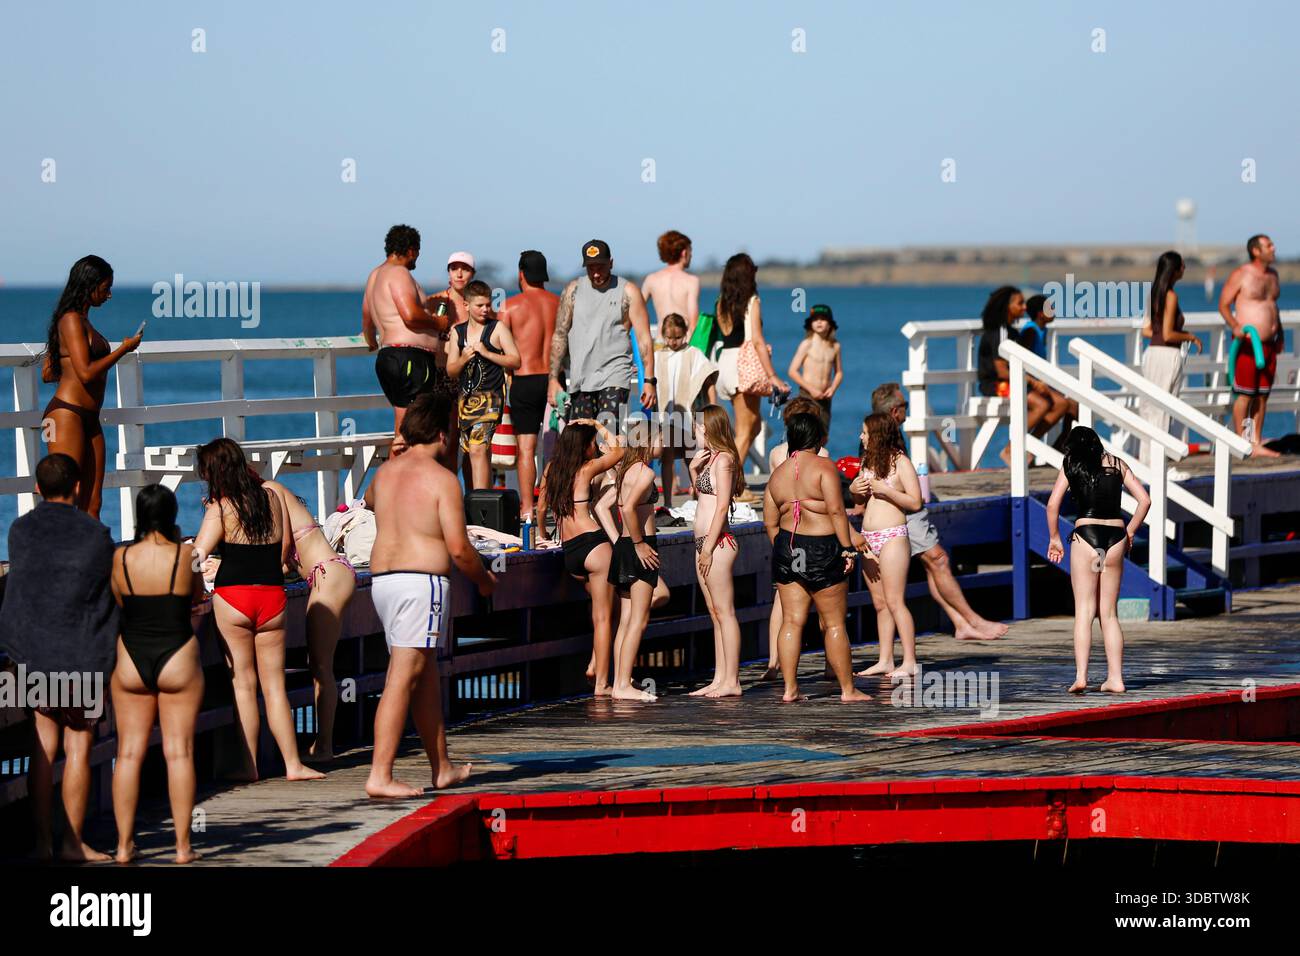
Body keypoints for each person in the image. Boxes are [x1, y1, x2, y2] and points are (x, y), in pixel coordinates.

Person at [364, 391, 495, 798]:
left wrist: (393, 455)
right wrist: (484, 580)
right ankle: (380, 775)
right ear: (442, 434)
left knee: (422, 678)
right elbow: (458, 548)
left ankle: (442, 768)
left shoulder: (385, 474)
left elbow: (368, 502)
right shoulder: (442, 480)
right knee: (402, 678)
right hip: (421, 585)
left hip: (383, 584)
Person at [0, 453, 117, 861]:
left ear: (37, 488)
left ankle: (42, 844)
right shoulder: (96, 534)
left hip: (32, 653)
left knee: (42, 747)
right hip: (80, 653)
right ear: (79, 487)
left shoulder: (18, 531)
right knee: (79, 749)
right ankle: (73, 843)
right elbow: (102, 598)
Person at [194, 438, 323, 782]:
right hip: (272, 599)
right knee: (275, 687)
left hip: (233, 599)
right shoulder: (272, 496)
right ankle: (293, 765)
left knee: (244, 686)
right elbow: (283, 551)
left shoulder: (220, 507)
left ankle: (249, 766)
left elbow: (196, 556)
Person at [109, 484, 205, 864]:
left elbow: (119, 601)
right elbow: (197, 597)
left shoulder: (120, 558)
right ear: (171, 515)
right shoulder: (188, 556)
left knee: (128, 753)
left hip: (131, 656)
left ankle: (122, 847)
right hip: (178, 652)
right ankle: (183, 848)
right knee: (179, 753)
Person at [872, 383, 1009, 641]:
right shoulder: (885, 441)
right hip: (903, 513)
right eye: (905, 407)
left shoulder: (885, 437)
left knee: (933, 564)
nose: (907, 412)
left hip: (902, 512)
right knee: (939, 560)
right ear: (893, 412)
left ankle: (961, 623)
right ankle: (973, 620)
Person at [763, 412, 870, 703]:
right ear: (819, 438)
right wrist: (847, 548)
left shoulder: (778, 473)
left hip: (788, 547)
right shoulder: (825, 468)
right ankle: (848, 690)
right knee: (834, 623)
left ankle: (790, 689)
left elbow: (770, 523)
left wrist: (785, 548)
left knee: (792, 621)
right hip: (822, 547)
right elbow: (837, 512)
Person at [1046, 426, 1150, 694]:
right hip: (1114, 539)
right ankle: (1115, 678)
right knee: (1109, 613)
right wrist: (1130, 532)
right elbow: (1145, 501)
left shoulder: (1071, 464)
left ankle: (1081, 677)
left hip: (1086, 537)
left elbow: (1052, 505)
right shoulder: (1117, 464)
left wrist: (1055, 538)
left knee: (1084, 611)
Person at [262, 478, 357, 762]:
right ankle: (322, 743)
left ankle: (324, 747)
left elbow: (280, 551)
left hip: (328, 575)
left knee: (320, 666)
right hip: (327, 575)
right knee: (318, 664)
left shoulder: (271, 489)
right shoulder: (280, 499)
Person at [40, 255, 141, 516]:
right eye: (105, 288)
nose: (108, 295)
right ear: (90, 284)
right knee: (64, 498)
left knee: (93, 503)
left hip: (90, 418)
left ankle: (88, 556)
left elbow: (50, 372)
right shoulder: (70, 319)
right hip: (67, 415)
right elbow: (85, 373)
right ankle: (52, 555)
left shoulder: (82, 321)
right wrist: (124, 350)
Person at [537, 418, 623, 694]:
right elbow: (620, 451)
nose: (595, 447)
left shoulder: (552, 470)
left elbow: (540, 509)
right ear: (584, 447)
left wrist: (544, 534)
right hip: (594, 547)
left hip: (570, 552)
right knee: (603, 616)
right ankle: (601, 683)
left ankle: (595, 662)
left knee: (608, 609)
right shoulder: (586, 470)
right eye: (591, 444)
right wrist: (598, 425)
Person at [361, 225, 454, 453]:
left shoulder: (375, 275)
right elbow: (410, 316)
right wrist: (437, 323)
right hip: (410, 358)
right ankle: (400, 484)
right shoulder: (400, 273)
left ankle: (395, 485)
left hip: (388, 356)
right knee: (412, 430)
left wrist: (372, 341)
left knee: (402, 427)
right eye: (418, 253)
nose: (417, 259)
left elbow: (367, 318)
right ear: (411, 250)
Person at [548, 239, 657, 428]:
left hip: (615, 375)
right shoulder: (573, 290)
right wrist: (553, 379)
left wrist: (649, 380)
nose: (596, 273)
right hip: (581, 379)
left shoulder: (628, 292)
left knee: (608, 437)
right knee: (583, 443)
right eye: (591, 268)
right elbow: (560, 334)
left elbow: (644, 338)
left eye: (601, 267)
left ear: (611, 263)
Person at [762, 396, 832, 680]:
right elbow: (830, 502)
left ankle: (773, 662)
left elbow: (774, 497)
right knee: (827, 609)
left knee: (782, 604)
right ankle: (830, 664)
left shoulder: (777, 454)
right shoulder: (822, 455)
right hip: (816, 537)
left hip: (785, 535)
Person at [850, 413, 924, 678]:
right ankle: (885, 659)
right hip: (869, 537)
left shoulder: (900, 462)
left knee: (895, 601)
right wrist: (854, 489)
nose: (861, 437)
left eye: (865, 433)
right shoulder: (868, 461)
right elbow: (861, 500)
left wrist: (887, 491)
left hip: (893, 536)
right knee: (879, 603)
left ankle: (910, 660)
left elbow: (916, 502)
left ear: (878, 435)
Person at [608, 424, 670, 702]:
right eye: (659, 441)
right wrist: (640, 543)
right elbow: (628, 508)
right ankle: (623, 684)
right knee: (637, 620)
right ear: (647, 442)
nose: (663, 446)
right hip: (639, 545)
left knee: (625, 621)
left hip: (623, 546)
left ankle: (621, 679)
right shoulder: (645, 471)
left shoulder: (625, 470)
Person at [715, 253, 789, 479]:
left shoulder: (721, 303)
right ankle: (732, 485)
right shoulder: (752, 301)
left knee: (753, 424)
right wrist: (773, 376)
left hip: (725, 363)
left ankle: (729, 479)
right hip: (744, 367)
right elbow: (756, 340)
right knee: (746, 431)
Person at [688, 406, 745, 698]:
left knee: (725, 612)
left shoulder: (725, 460)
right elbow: (703, 499)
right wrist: (693, 470)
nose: (695, 431)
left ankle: (732, 680)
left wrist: (708, 547)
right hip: (704, 544)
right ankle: (719, 677)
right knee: (714, 612)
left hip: (717, 543)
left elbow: (722, 506)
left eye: (698, 427)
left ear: (709, 428)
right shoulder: (710, 460)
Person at [498, 250, 559, 521]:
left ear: (521, 274)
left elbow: (499, 347)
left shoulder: (510, 307)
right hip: (555, 381)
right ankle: (550, 503)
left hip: (523, 379)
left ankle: (527, 509)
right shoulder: (559, 304)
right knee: (555, 449)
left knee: (526, 449)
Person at [446, 279, 521, 489]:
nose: (485, 309)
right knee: (477, 452)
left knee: (478, 449)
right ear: (466, 305)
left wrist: (488, 353)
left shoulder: (497, 329)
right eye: (480, 305)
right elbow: (451, 370)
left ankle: (479, 507)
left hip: (491, 398)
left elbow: (515, 360)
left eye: (488, 305)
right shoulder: (457, 332)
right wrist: (463, 359)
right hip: (466, 401)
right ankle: (484, 501)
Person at [1218, 234, 1283, 457]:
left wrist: (1279, 332)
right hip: (1248, 344)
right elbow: (1224, 304)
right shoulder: (1242, 274)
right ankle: (1241, 442)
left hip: (1269, 345)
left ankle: (1256, 441)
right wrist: (1235, 325)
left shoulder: (1273, 275)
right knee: (1245, 395)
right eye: (1268, 245)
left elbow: (1272, 306)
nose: (1274, 248)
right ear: (1256, 251)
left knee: (1262, 395)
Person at [1138, 252, 1202, 467]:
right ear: (1174, 270)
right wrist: (1190, 337)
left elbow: (1147, 331)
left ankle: (1147, 461)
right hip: (1167, 354)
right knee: (1164, 409)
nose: (1184, 269)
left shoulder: (1154, 293)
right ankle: (1158, 464)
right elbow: (1168, 334)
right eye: (1182, 266)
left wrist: (1164, 332)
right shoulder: (1171, 296)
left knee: (1150, 408)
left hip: (1152, 354)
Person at [976, 286, 1050, 464]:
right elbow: (1001, 370)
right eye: (1020, 303)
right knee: (1041, 405)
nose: (1024, 307)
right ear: (1007, 307)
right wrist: (1033, 382)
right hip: (996, 385)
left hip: (1015, 382)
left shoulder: (1013, 332)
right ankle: (1012, 449)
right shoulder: (999, 332)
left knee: (1058, 403)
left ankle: (1023, 448)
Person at [654, 313, 718, 506]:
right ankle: (668, 502)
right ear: (663, 335)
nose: (673, 342)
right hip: (666, 416)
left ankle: (699, 498)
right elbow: (646, 375)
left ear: (685, 334)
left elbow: (707, 376)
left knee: (691, 457)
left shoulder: (693, 353)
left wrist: (712, 407)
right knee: (667, 457)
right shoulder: (658, 356)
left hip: (688, 416)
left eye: (678, 337)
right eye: (669, 338)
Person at [1019, 294, 1077, 437]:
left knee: (1075, 406)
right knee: (1066, 404)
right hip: (1032, 384)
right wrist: (1036, 382)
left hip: (1040, 382)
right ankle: (1032, 442)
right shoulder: (1030, 332)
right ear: (1040, 314)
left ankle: (1062, 447)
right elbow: (1019, 357)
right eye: (1050, 308)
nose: (1054, 310)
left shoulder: (1041, 330)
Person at [787, 304, 842, 425]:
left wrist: (832, 388)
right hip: (807, 395)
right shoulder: (807, 344)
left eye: (823, 319)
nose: (819, 322)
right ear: (810, 323)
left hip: (825, 397)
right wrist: (811, 389)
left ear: (830, 323)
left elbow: (839, 372)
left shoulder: (835, 346)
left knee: (823, 434)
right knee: (807, 430)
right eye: (815, 319)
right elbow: (792, 371)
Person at [640, 230, 701, 340]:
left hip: (661, 341)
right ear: (684, 253)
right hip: (682, 341)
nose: (691, 255)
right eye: (690, 251)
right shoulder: (691, 281)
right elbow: (693, 322)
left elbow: (636, 309)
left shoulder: (651, 279)